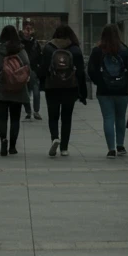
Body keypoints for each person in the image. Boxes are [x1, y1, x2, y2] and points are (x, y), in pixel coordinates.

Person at [37, 25, 86, 157]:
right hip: (70, 87)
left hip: (52, 87)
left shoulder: (48, 48)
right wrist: (83, 93)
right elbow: (81, 72)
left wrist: (41, 83)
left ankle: (54, 138)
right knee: (67, 117)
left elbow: (42, 70)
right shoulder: (75, 49)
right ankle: (64, 148)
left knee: (53, 116)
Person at [0, 25, 31, 156]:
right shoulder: (21, 51)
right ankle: (12, 146)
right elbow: (28, 66)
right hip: (18, 89)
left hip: (0, 89)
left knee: (2, 118)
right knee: (15, 118)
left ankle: (3, 142)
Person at [88, 24, 128, 158]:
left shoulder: (97, 50)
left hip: (104, 90)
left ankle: (111, 149)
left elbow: (90, 70)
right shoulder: (125, 50)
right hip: (122, 90)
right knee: (120, 117)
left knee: (108, 118)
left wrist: (99, 82)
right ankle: (120, 145)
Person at [21, 21, 42, 120]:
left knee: (36, 91)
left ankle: (36, 111)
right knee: (25, 92)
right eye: (26, 29)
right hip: (23, 70)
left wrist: (38, 69)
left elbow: (39, 57)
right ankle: (28, 111)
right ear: (23, 30)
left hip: (33, 70)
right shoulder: (20, 43)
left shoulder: (36, 43)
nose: (28, 32)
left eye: (30, 29)